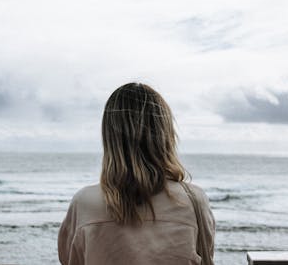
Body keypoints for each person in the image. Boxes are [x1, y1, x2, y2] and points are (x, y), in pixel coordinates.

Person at [58, 82, 215, 265]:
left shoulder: (84, 203)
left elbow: (69, 260)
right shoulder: (193, 200)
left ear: (110, 137)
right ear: (165, 134)